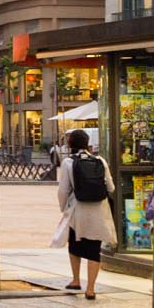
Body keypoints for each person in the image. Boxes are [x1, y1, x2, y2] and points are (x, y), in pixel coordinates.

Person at [55, 128, 117, 299]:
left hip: (78, 210)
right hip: (99, 210)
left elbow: (63, 190)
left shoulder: (68, 163)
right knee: (94, 249)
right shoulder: (100, 161)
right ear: (87, 143)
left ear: (70, 144)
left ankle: (76, 280)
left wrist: (63, 208)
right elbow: (111, 187)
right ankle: (90, 289)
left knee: (75, 245)